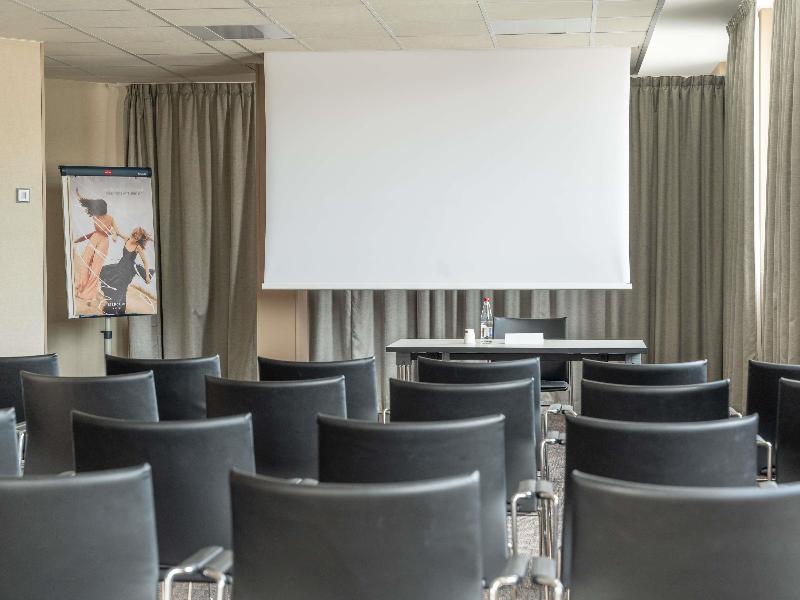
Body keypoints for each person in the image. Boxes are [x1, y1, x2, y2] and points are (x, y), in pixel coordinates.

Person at [72, 188, 120, 302]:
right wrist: (79, 196)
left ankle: (88, 294)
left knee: (95, 268)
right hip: (94, 238)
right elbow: (85, 203)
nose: (95, 210)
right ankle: (82, 287)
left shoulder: (110, 218)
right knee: (85, 263)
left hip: (104, 241)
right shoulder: (95, 215)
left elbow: (116, 231)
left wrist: (114, 236)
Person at [98, 227, 154, 316]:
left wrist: (147, 276)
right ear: (134, 233)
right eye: (136, 234)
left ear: (141, 237)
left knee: (121, 288)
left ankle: (116, 310)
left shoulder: (138, 247)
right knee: (108, 277)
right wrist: (111, 232)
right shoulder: (127, 239)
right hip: (120, 267)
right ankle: (118, 309)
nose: (137, 236)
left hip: (128, 271)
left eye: (139, 235)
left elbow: (145, 262)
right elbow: (117, 232)